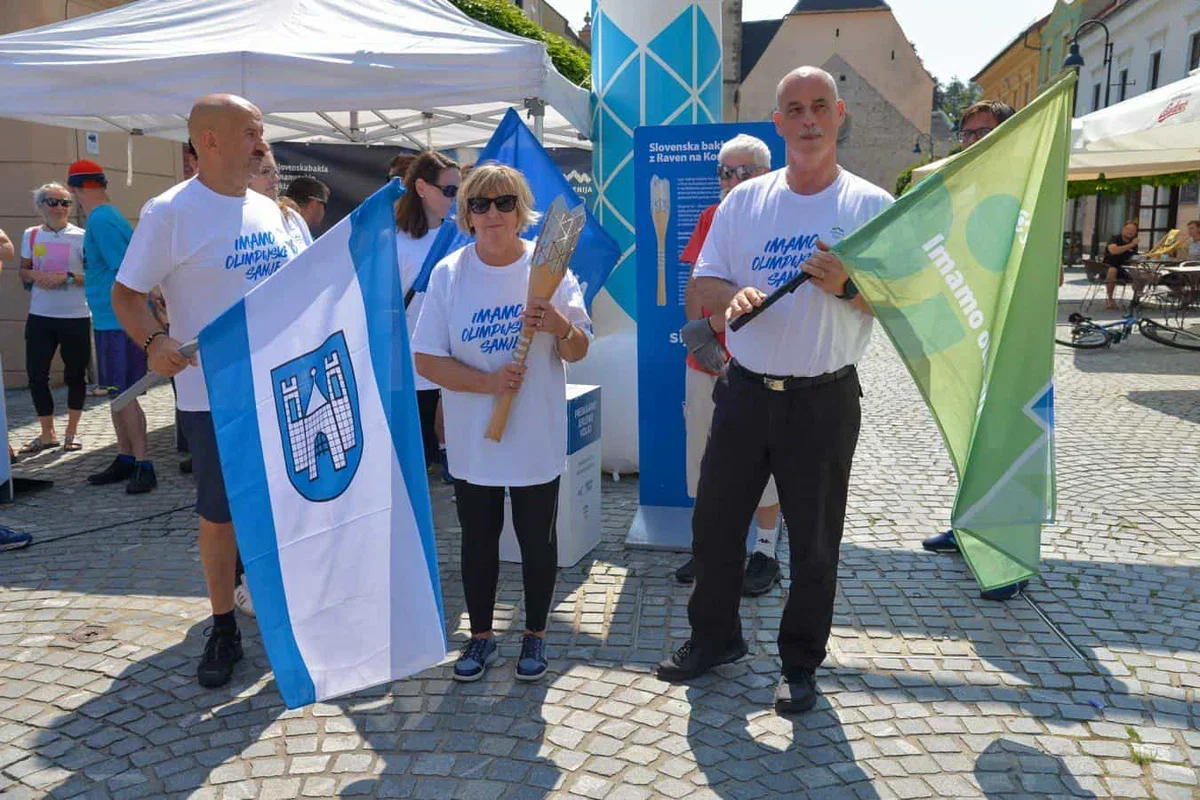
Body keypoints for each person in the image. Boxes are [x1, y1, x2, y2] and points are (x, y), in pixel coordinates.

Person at [654, 67, 893, 716]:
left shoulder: (870, 207)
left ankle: (799, 665)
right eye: (795, 109)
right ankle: (715, 639)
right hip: (746, 391)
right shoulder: (744, 202)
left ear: (839, 114)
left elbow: (901, 306)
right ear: (779, 122)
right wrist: (731, 299)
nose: (809, 119)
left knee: (814, 544)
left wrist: (846, 284)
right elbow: (698, 294)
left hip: (824, 399)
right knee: (713, 526)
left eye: (820, 107)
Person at [112, 93, 293, 689]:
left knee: (277, 506)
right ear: (208, 142)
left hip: (280, 387)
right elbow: (127, 295)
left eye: (260, 133)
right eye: (250, 134)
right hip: (213, 398)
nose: (261, 145)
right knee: (221, 515)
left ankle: (273, 600)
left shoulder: (269, 210)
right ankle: (223, 625)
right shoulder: (169, 213)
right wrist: (155, 339)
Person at [413, 163, 592, 683]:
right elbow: (426, 359)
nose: (492, 213)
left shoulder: (549, 267)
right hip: (475, 439)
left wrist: (558, 324)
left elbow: (578, 348)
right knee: (478, 538)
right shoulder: (450, 273)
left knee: (538, 539)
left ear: (522, 211)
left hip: (534, 432)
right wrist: (488, 384)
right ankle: (482, 638)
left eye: (504, 202)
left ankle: (534, 635)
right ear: (466, 214)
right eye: (479, 204)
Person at [920, 99, 1036, 603]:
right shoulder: (964, 189)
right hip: (969, 331)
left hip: (1013, 338)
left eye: (981, 133)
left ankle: (1009, 556)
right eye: (965, 134)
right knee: (969, 437)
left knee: (1011, 443)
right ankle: (967, 526)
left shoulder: (1026, 188)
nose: (970, 142)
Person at [675, 134, 783, 596]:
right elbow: (695, 291)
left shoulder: (784, 217)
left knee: (764, 466)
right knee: (705, 459)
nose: (733, 180)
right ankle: (712, 549)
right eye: (726, 172)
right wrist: (709, 324)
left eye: (745, 171)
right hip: (709, 362)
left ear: (765, 173)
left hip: (765, 365)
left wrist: (725, 315)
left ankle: (765, 552)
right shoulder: (710, 217)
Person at [67, 160, 157, 493]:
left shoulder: (102, 220)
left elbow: (127, 271)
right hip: (110, 319)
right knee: (118, 394)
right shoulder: (103, 217)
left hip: (120, 320)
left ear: (76, 190)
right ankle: (125, 457)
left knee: (126, 393)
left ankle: (144, 463)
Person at [395, 151, 461, 481]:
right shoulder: (394, 241)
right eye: (449, 190)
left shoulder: (465, 236)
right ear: (422, 188)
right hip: (410, 364)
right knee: (416, 464)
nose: (456, 198)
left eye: (459, 191)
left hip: (455, 359)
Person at [18, 183, 92, 455]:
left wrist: (68, 277)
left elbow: (95, 277)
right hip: (41, 315)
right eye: (53, 202)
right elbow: (23, 272)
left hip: (75, 315)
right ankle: (47, 433)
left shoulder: (82, 236)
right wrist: (38, 276)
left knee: (76, 375)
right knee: (37, 376)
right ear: (40, 206)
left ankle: (71, 432)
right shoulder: (32, 235)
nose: (60, 207)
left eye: (65, 203)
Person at [249, 146, 312, 253]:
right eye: (265, 172)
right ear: (244, 177)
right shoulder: (235, 222)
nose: (276, 179)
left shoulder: (292, 217)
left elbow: (310, 259)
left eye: (276, 172)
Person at [1102, 220, 1139, 310]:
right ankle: (1110, 300)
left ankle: (1137, 299)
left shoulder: (1133, 243)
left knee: (1139, 273)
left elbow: (1133, 258)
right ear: (1123, 229)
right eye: (1128, 229)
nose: (1130, 232)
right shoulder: (1115, 238)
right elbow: (1113, 251)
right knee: (1112, 270)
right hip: (1108, 267)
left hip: (1123, 268)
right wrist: (1130, 245)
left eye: (1133, 230)